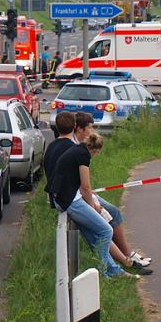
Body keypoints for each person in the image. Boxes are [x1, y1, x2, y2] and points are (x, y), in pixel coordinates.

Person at [45, 112, 152, 274]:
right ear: (76, 128)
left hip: (64, 196)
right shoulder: (77, 150)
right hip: (71, 197)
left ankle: (120, 265)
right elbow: (85, 186)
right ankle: (120, 263)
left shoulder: (53, 146)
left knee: (101, 226)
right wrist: (93, 205)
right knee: (105, 226)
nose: (92, 130)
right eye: (90, 127)